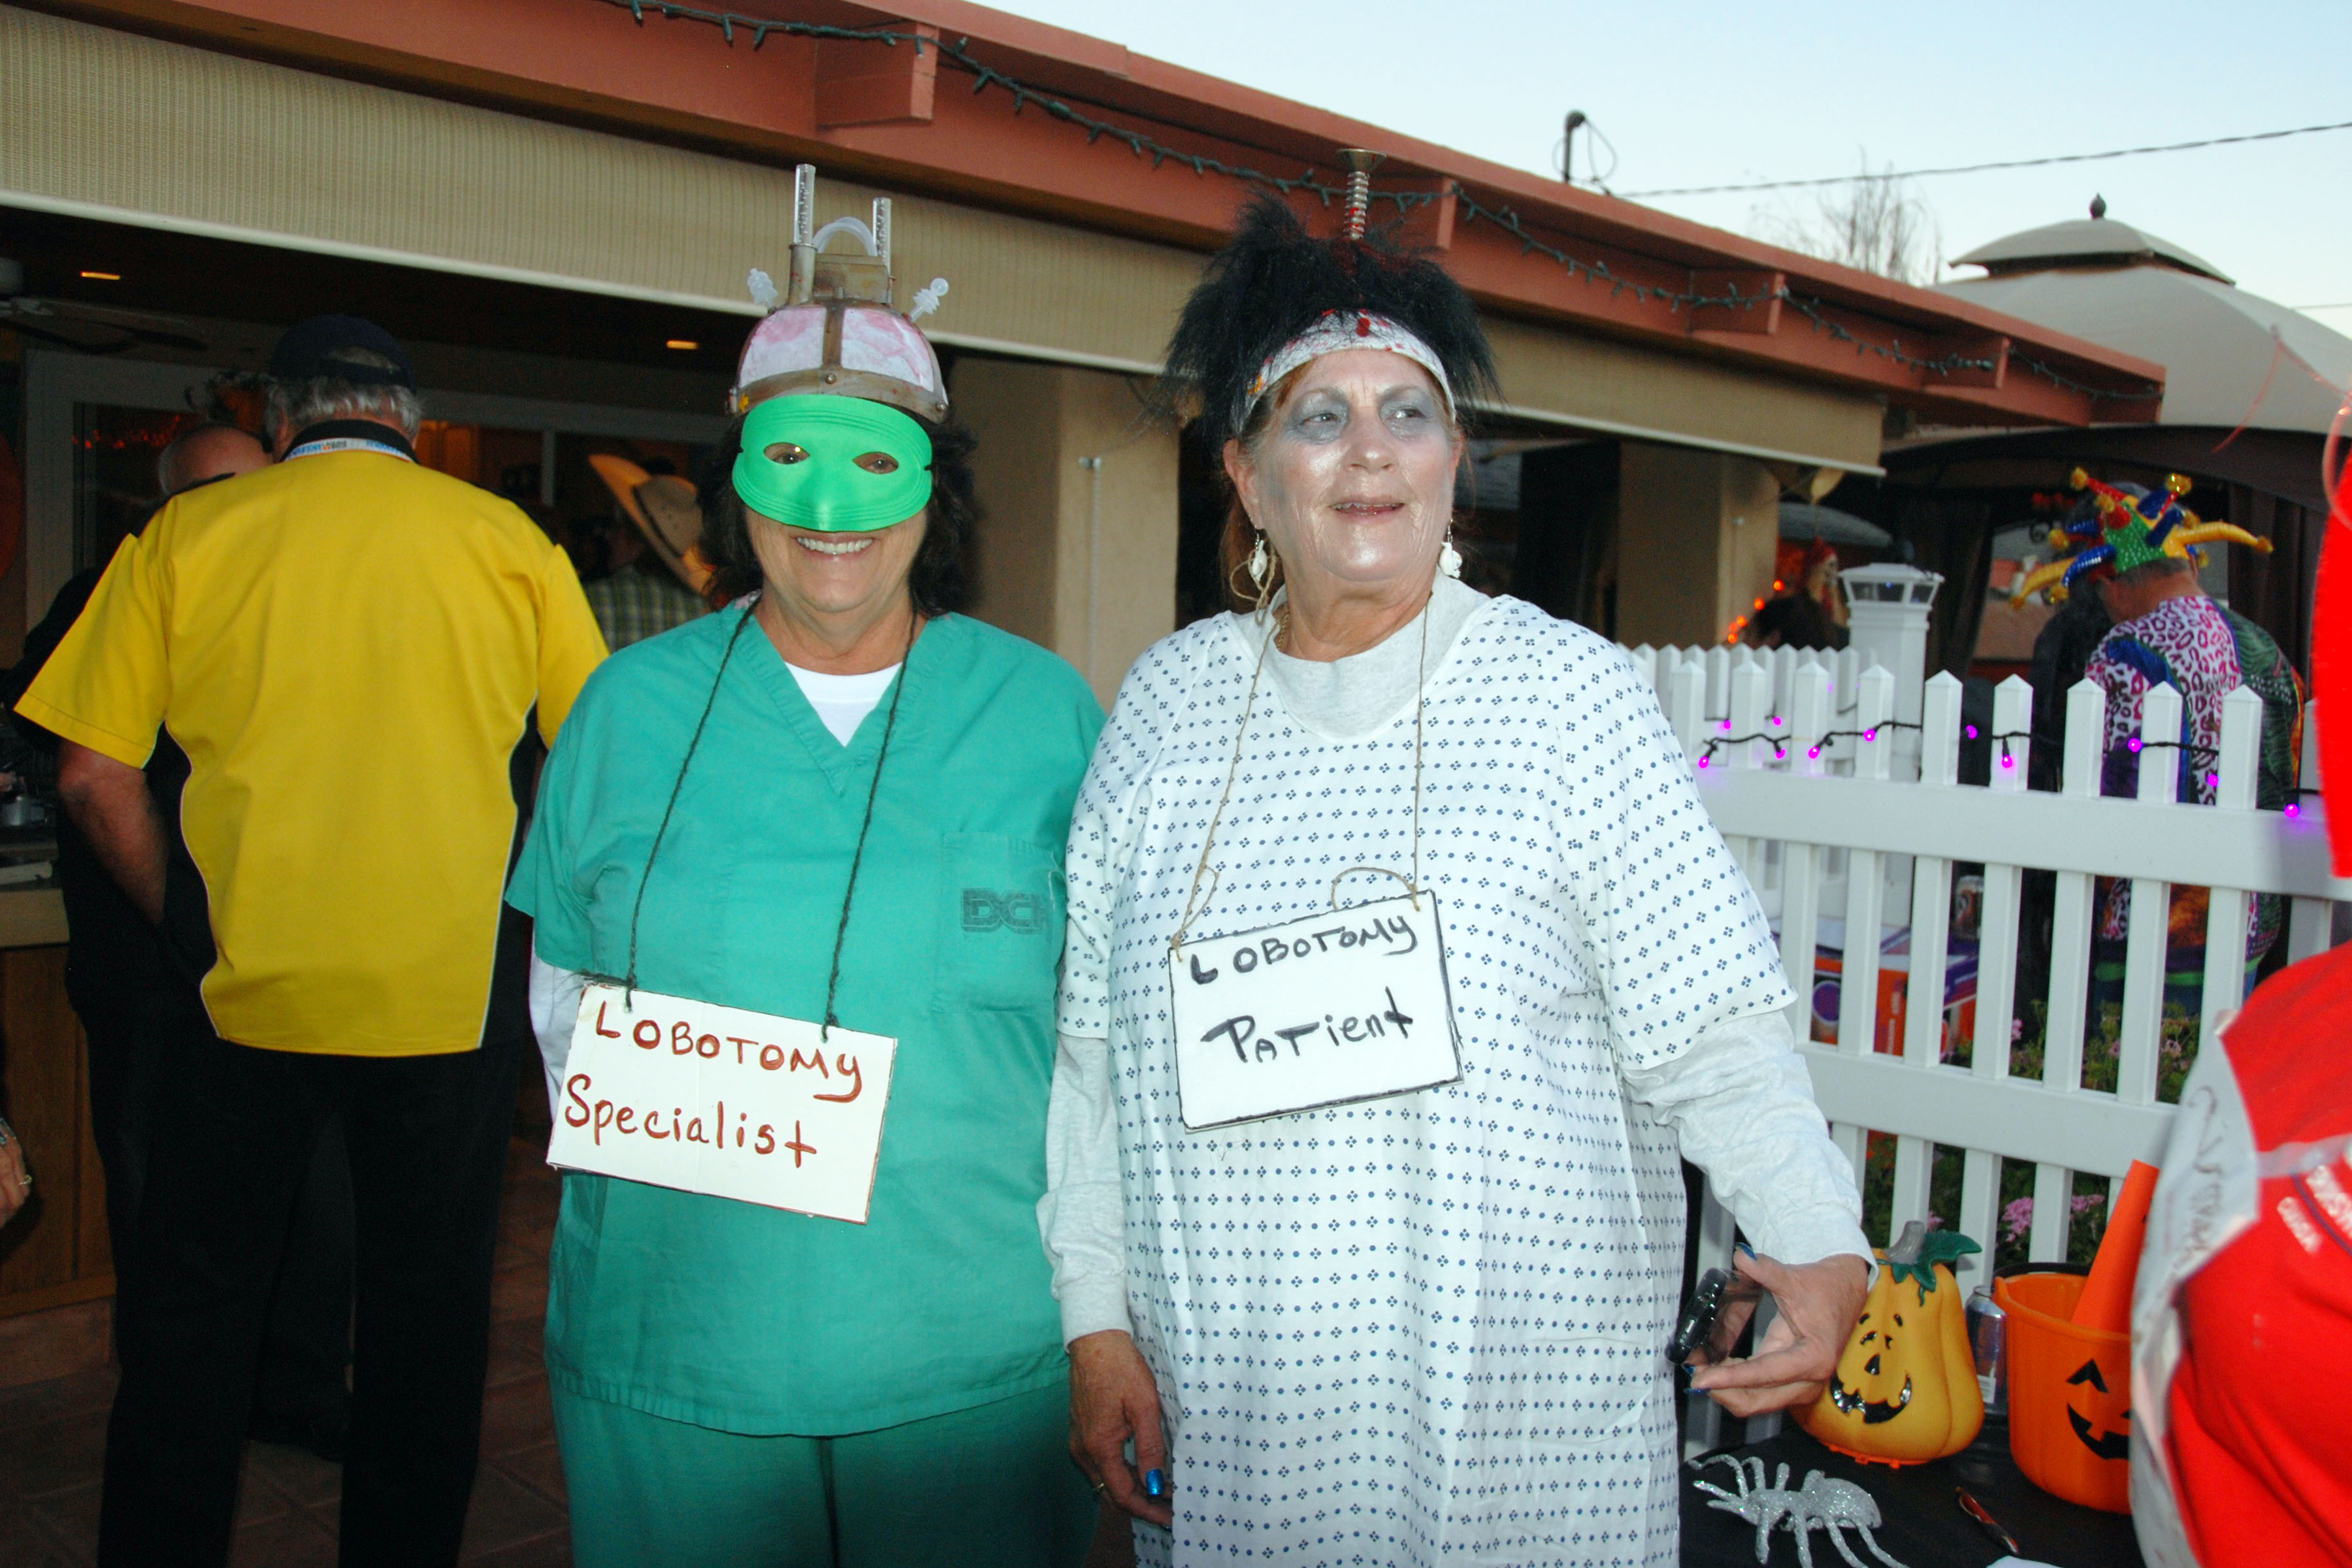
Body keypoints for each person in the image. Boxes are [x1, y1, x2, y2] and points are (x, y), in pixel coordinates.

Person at [1043, 194, 1872, 1567]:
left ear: (1453, 462)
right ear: (1246, 475)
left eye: (1409, 413)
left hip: (1525, 1443)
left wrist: (1821, 1242)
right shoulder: (1166, 710)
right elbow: (1096, 1067)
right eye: (1319, 416)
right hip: (1238, 1419)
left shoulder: (1569, 700)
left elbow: (1718, 1031)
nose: (1369, 449)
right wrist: (1096, 1322)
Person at [507, 172, 1104, 1568]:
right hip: (680, 1355)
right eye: (789, 458)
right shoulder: (624, 711)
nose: (831, 506)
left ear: (936, 491)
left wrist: (1105, 1318)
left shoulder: (1046, 716)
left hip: (974, 1368)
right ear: (737, 483)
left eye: (874, 463)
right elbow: (560, 1005)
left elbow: (1100, 1052)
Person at [19, 314, 607, 1565]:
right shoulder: (509, 542)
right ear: (407, 421)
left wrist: (184, 923)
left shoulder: (187, 536)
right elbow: (597, 762)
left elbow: (88, 776)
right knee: (424, 1328)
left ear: (280, 420)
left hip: (240, 997)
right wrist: (515, 897)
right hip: (445, 1000)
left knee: (193, 1321)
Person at [2, 420, 359, 1462]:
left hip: (277, 962)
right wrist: (186, 926)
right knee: (159, 1189)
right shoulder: (113, 594)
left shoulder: (294, 601)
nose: (253, 515)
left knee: (311, 1185)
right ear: (171, 508)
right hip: (151, 965)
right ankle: (177, 1410)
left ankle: (295, 1389)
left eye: (264, 490)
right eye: (223, 494)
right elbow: (70, 762)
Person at [2131, 459, 2352, 1568]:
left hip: (2142, 902)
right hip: (2247, 908)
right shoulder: (2256, 644)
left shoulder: (2128, 654)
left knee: (2145, 1024)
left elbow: (2114, 773)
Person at [2015, 472, 2296, 1019]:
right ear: (2189, 565)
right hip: (2249, 917)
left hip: (2153, 925)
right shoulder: (2266, 650)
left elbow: (2115, 801)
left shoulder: (2126, 650)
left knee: (2132, 1060)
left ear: (2112, 585)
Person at [583, 453, 713, 649]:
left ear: (634, 540)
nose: (608, 536)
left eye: (615, 528)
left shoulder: (589, 601)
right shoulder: (702, 615)